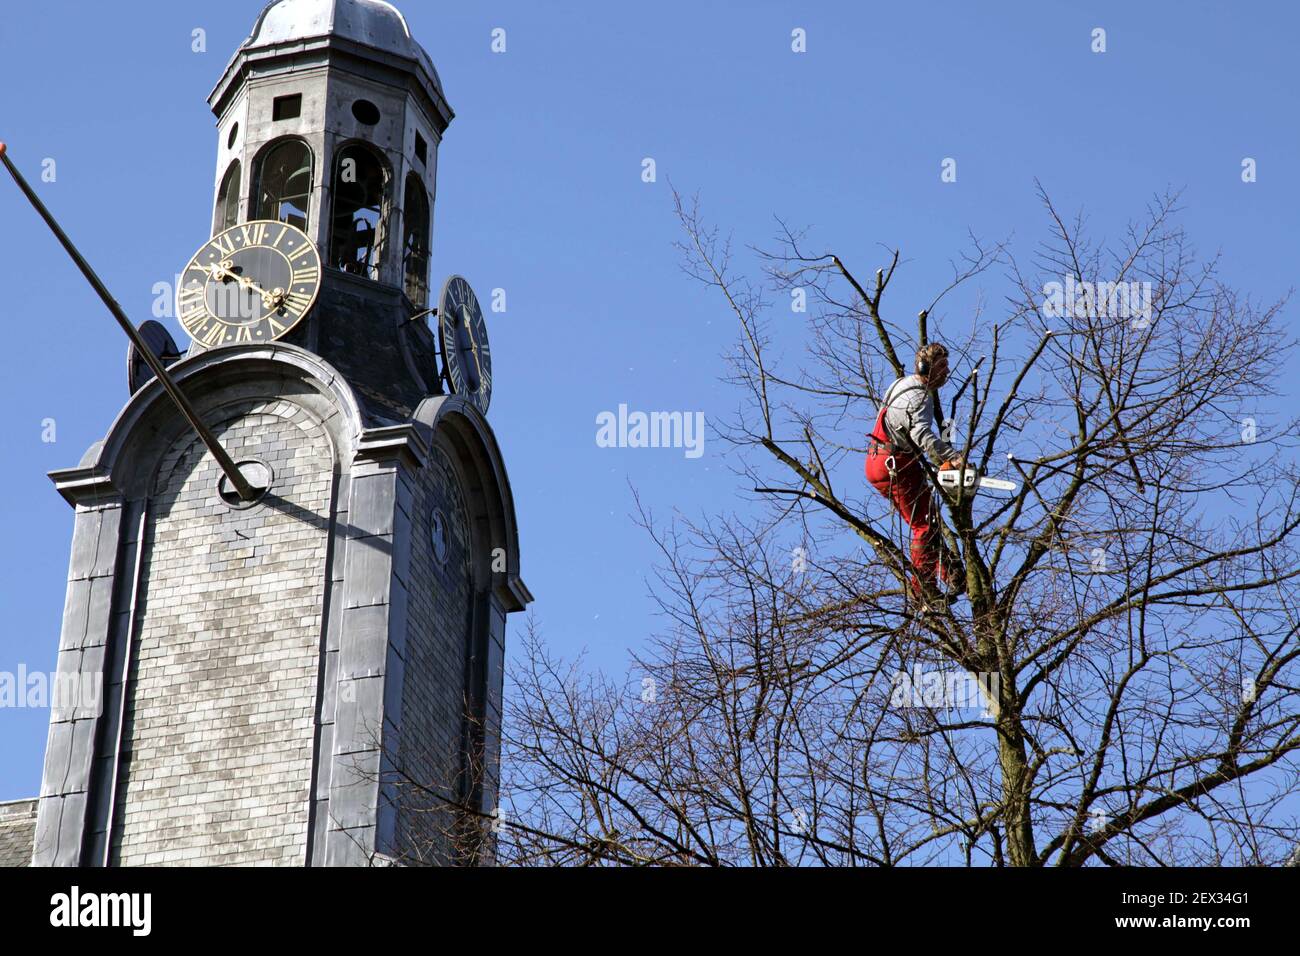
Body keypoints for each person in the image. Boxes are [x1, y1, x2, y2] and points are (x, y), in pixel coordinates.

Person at [865, 343, 964, 599]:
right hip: (894, 465)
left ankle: (948, 570)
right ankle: (923, 589)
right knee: (924, 525)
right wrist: (952, 457)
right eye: (941, 366)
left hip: (884, 460)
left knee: (928, 518)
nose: (946, 372)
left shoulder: (903, 383)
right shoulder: (917, 397)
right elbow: (921, 434)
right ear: (925, 367)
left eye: (947, 366)